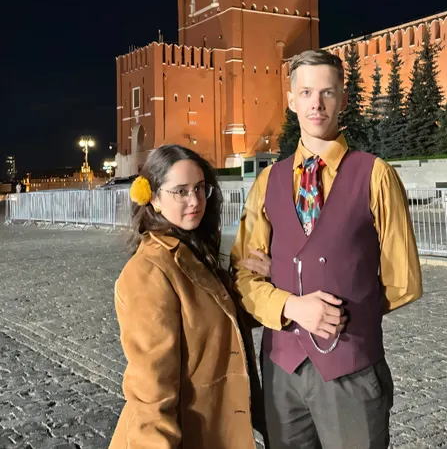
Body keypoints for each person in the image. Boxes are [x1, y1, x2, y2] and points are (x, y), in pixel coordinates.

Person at [231, 49, 423, 449]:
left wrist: (348, 308)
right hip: (282, 371)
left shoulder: (375, 175)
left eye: (327, 93)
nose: (316, 103)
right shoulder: (268, 181)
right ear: (291, 100)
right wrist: (292, 305)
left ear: (343, 99)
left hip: (350, 370)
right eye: (305, 92)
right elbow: (243, 276)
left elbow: (403, 281)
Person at [109, 144, 266, 449]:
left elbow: (221, 321)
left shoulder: (193, 252)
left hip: (214, 431)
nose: (194, 200)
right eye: (180, 191)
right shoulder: (148, 272)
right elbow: (151, 392)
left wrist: (256, 280)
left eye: (199, 188)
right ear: (152, 198)